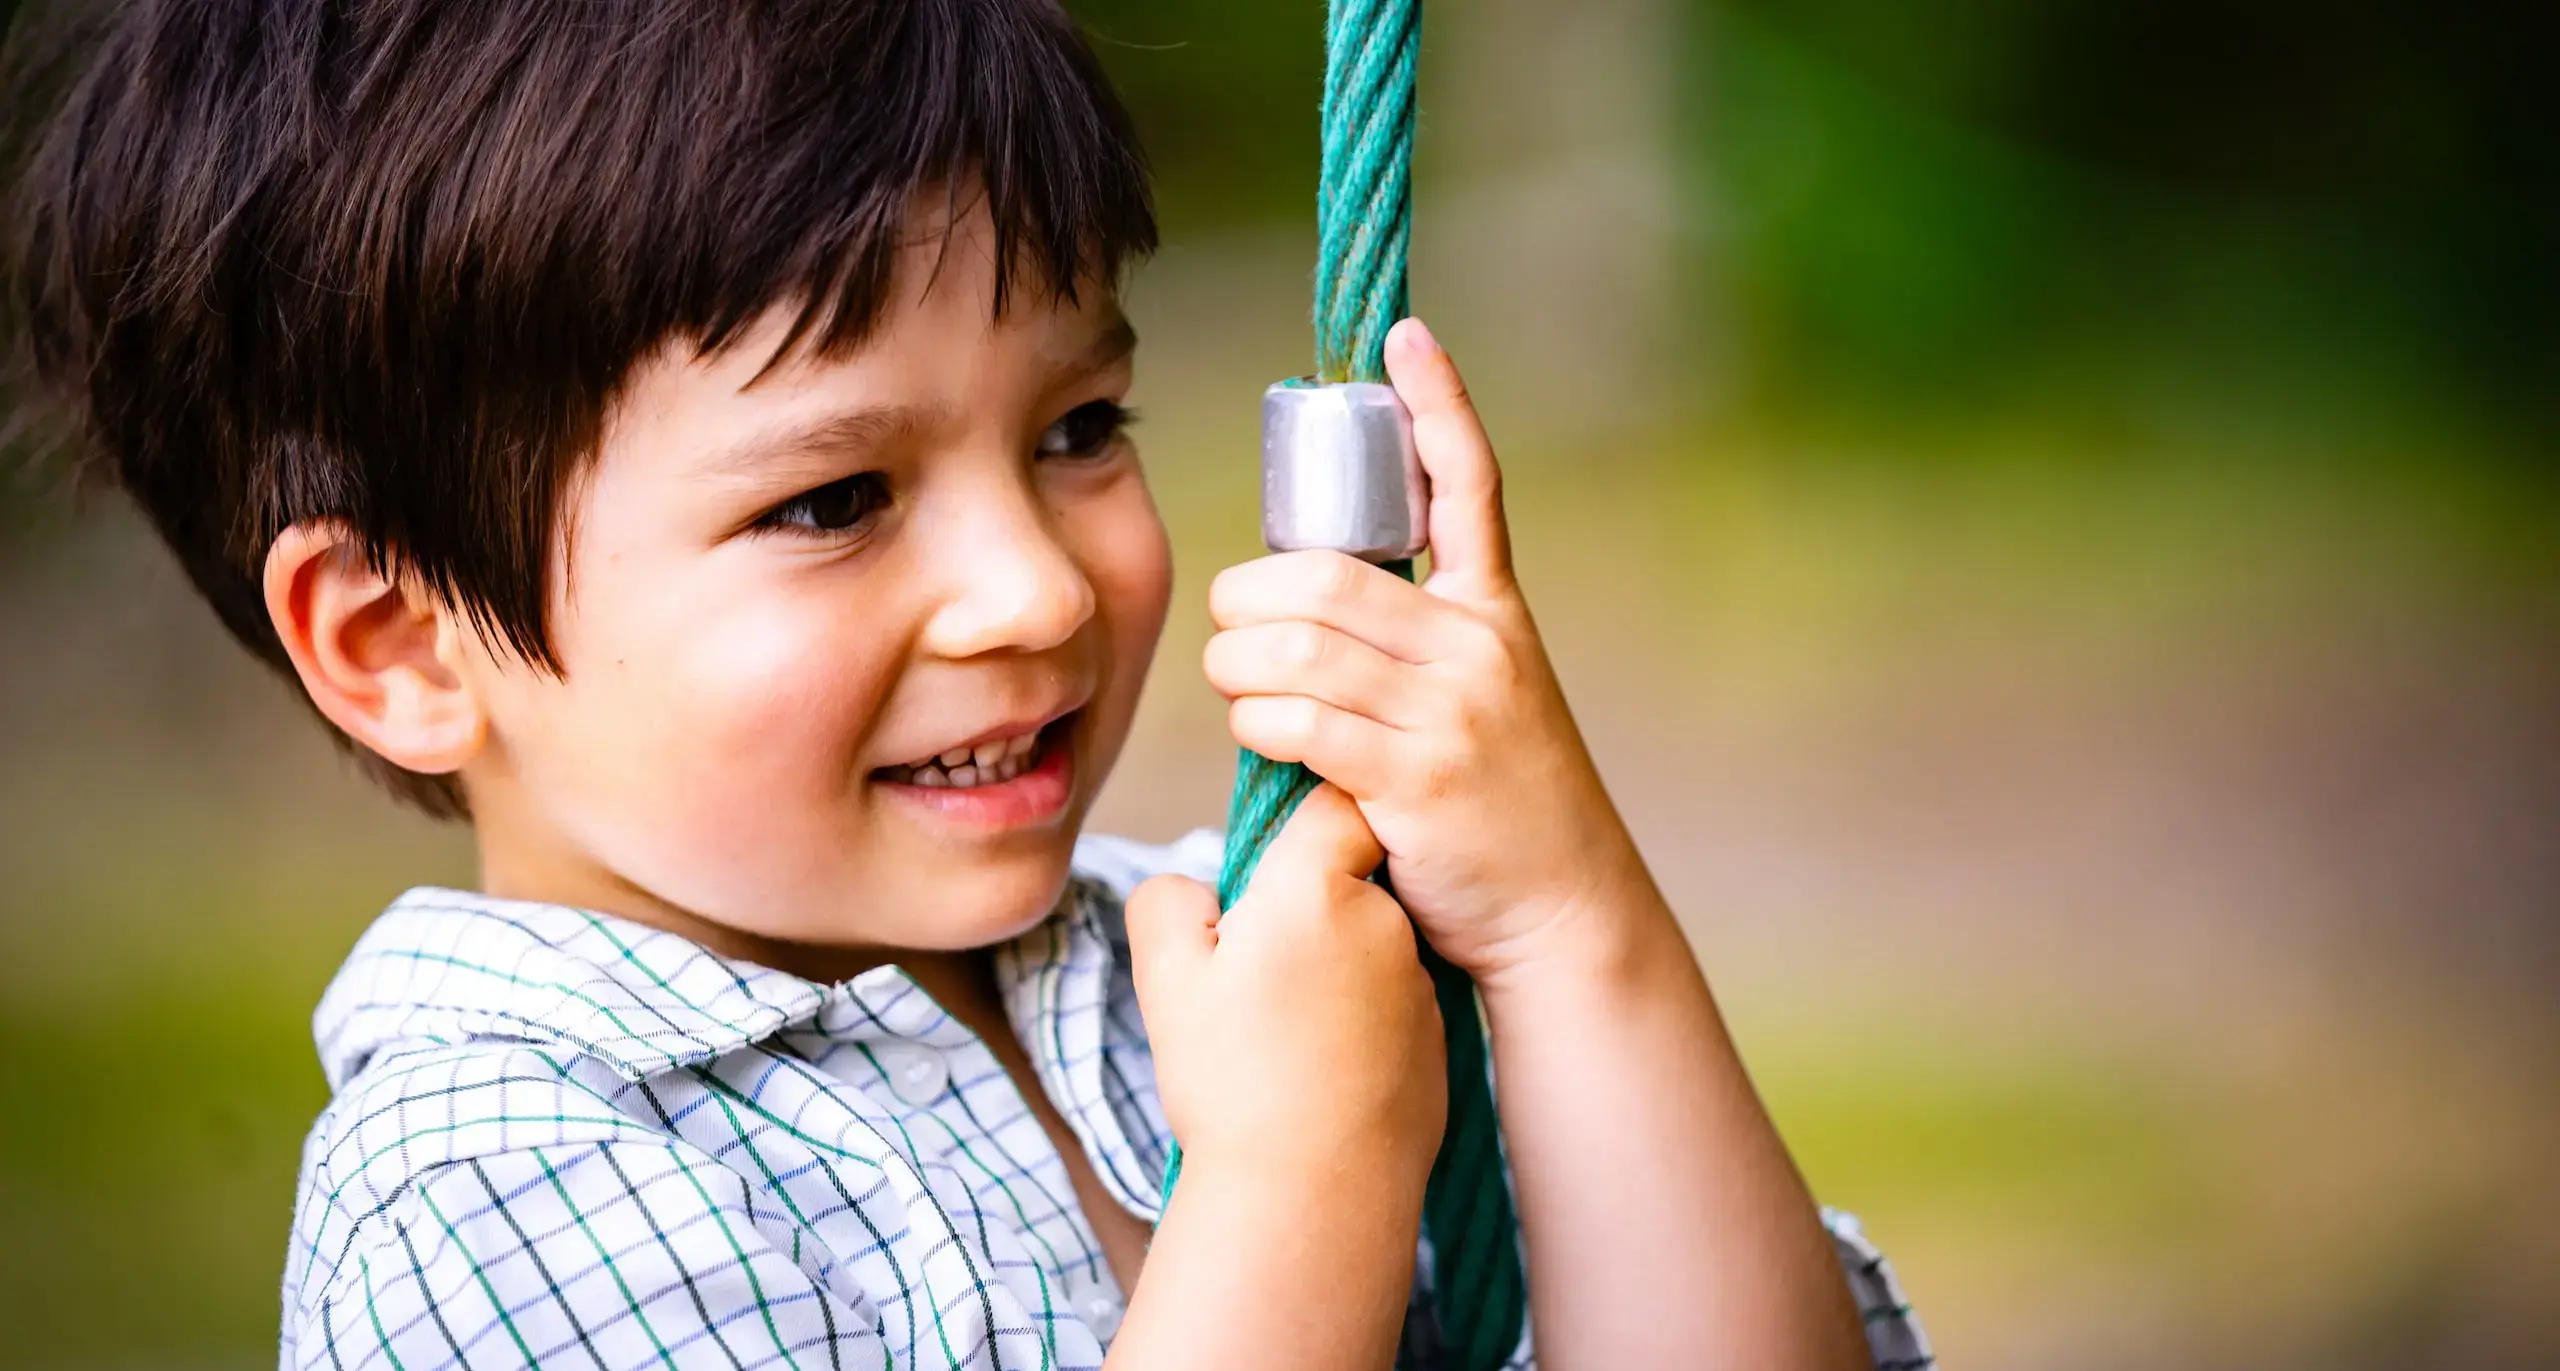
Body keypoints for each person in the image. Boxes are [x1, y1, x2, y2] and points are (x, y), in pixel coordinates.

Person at [4, 2, 1930, 1367]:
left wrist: (1568, 920)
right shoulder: (494, 1199)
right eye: (835, 497)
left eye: (1082, 423)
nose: (1029, 583)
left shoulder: (1219, 963)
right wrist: (1298, 1179)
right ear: (404, 641)